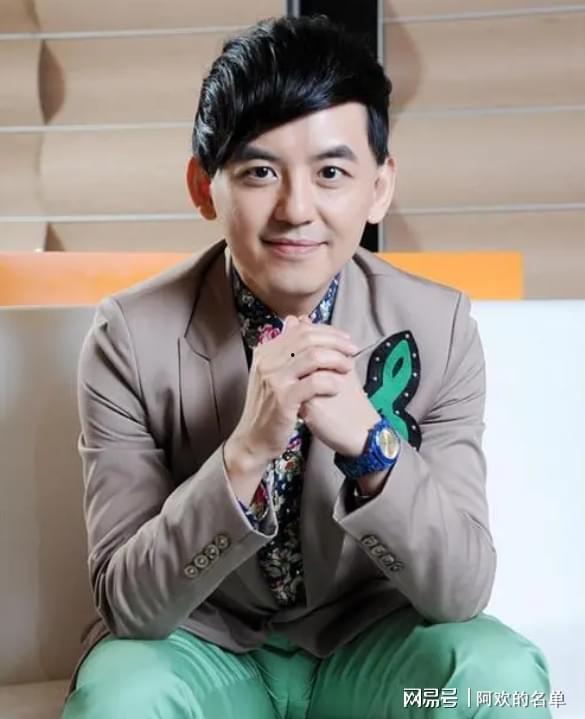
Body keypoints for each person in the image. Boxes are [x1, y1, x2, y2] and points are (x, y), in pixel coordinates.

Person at [61, 13, 553, 719]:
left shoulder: (438, 327)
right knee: (122, 697)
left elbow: (460, 591)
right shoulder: (129, 338)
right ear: (202, 186)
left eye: (330, 173)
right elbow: (130, 604)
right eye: (260, 172)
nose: (296, 209)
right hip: (206, 654)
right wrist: (244, 454)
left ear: (378, 187)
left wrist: (371, 445)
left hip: (374, 658)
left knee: (501, 679)